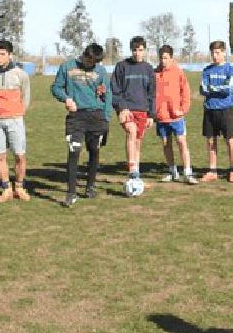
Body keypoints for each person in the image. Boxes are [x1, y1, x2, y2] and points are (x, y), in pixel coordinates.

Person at [50, 43, 113, 208]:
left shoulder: (100, 71)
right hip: (76, 117)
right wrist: (67, 99)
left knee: (94, 151)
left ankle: (90, 187)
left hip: (97, 117)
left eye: (95, 63)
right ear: (86, 55)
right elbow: (55, 88)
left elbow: (108, 94)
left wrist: (106, 117)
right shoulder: (67, 67)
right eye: (90, 61)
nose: (91, 65)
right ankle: (71, 193)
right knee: (74, 151)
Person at [0, 39, 31, 202]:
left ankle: (19, 186)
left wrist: (19, 112)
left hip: (15, 120)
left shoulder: (20, 74)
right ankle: (6, 188)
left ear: (10, 55)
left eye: (2, 54)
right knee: (0, 156)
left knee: (20, 156)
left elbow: (26, 95)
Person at [111, 36, 156, 182]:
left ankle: (135, 174)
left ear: (145, 51)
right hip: (127, 110)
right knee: (132, 131)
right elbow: (115, 89)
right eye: (135, 50)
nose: (137, 53)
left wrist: (151, 115)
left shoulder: (148, 69)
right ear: (131, 51)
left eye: (140, 50)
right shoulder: (122, 66)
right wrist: (121, 108)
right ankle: (132, 170)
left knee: (137, 141)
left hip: (142, 110)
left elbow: (152, 93)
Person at [154, 44, 197, 184]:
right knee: (166, 143)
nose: (163, 61)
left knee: (181, 142)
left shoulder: (178, 73)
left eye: (166, 58)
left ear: (171, 58)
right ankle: (172, 171)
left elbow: (186, 93)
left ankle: (188, 172)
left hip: (176, 116)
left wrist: (183, 109)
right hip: (161, 116)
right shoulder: (155, 73)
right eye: (161, 58)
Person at [200, 40, 233, 183]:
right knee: (211, 141)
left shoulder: (230, 69)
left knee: (230, 140)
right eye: (212, 53)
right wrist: (214, 89)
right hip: (210, 109)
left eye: (217, 53)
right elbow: (202, 89)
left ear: (224, 53)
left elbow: (227, 89)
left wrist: (212, 89)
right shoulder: (207, 70)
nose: (215, 56)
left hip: (225, 109)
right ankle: (212, 170)